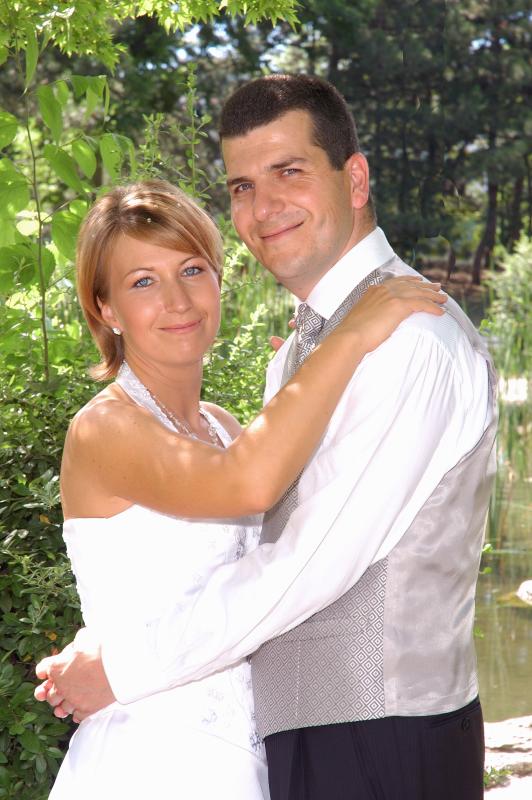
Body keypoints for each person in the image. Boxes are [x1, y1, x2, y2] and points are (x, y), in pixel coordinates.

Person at [36, 75, 496, 800]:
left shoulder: (404, 338)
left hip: (382, 731)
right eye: (243, 186)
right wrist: (114, 639)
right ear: (106, 308)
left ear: (355, 179)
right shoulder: (297, 360)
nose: (265, 206)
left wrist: (121, 663)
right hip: (198, 752)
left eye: (289, 171)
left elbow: (302, 563)